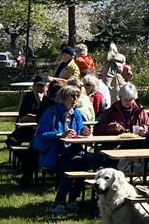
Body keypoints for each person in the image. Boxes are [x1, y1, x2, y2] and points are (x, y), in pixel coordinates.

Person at [33, 85, 90, 214]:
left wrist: (85, 132)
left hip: (74, 150)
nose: (75, 99)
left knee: (83, 163)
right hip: (56, 153)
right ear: (63, 98)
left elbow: (79, 130)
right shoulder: (51, 112)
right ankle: (60, 202)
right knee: (73, 165)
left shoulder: (77, 113)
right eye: (72, 96)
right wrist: (59, 135)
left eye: (77, 96)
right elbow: (41, 135)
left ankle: (71, 200)